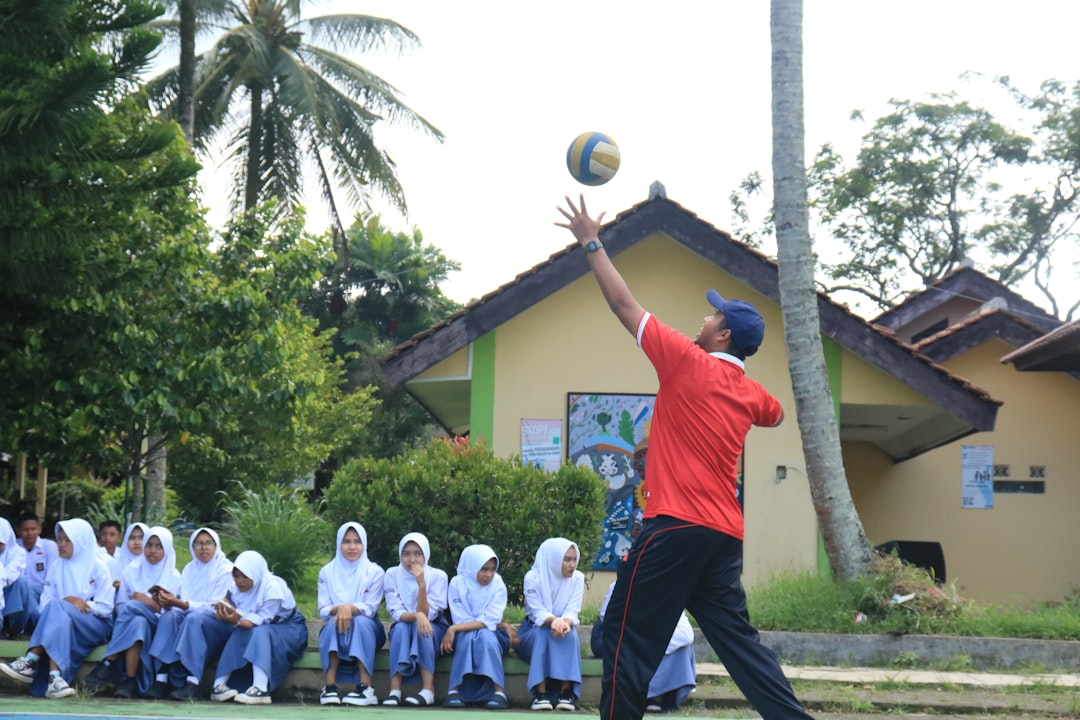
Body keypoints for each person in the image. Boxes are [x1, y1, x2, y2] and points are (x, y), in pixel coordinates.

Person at [556, 195, 813, 720]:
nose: (703, 315)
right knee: (741, 646)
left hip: (672, 528)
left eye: (712, 313)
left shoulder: (685, 360)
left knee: (627, 644)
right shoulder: (749, 393)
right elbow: (777, 413)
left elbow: (623, 305)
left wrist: (591, 242)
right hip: (722, 537)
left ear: (722, 334)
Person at [0, 518, 114, 699]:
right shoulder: (56, 566)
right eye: (59, 539)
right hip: (61, 623)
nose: (60, 544)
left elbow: (105, 608)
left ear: (81, 541)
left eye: (67, 540)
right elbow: (44, 605)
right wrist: (67, 603)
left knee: (57, 605)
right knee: (56, 607)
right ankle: (55, 680)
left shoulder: (98, 566)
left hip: (94, 625)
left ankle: (30, 660)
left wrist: (76, 605)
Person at [83, 526, 182, 698]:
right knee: (137, 622)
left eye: (159, 546)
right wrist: (142, 605)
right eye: (149, 545)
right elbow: (121, 606)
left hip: (162, 628)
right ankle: (130, 681)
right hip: (133, 625)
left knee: (133, 607)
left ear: (166, 548)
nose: (152, 550)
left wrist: (147, 602)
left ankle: (109, 660)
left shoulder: (174, 576)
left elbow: (172, 612)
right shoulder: (131, 570)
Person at [210, 550, 308, 705]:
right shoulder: (235, 587)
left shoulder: (272, 587)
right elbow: (229, 601)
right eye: (236, 575)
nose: (239, 581)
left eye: (244, 576)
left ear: (255, 573)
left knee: (257, 631)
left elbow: (255, 622)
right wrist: (222, 607)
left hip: (290, 629)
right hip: (262, 629)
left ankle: (260, 689)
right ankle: (218, 685)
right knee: (242, 631)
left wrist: (234, 619)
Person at [149, 527, 234, 700]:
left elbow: (215, 607)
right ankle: (161, 679)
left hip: (219, 625)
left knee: (194, 618)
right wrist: (169, 601)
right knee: (169, 616)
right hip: (192, 618)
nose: (204, 548)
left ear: (216, 545)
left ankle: (192, 683)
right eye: (199, 544)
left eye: (208, 543)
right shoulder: (189, 568)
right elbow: (183, 603)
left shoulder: (225, 569)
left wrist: (181, 604)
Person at [592, 579, 696, 713]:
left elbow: (686, 635)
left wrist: (652, 643)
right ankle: (650, 695)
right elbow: (608, 619)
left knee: (683, 648)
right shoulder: (625, 583)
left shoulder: (670, 590)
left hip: (650, 638)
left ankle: (659, 695)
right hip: (610, 634)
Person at [316, 522, 385, 706]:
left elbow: (370, 608)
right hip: (336, 626)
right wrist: (341, 609)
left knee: (361, 622)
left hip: (369, 629)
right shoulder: (327, 572)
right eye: (346, 541)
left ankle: (366, 687)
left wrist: (349, 608)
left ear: (364, 544)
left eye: (357, 541)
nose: (352, 547)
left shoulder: (375, 572)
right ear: (339, 543)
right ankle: (329, 687)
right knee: (332, 622)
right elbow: (323, 610)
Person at [516, 537, 584, 711]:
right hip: (531, 631)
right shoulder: (532, 577)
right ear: (553, 559)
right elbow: (537, 612)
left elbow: (572, 610)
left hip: (562, 628)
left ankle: (566, 693)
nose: (572, 565)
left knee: (571, 633)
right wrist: (554, 621)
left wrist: (564, 623)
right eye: (567, 560)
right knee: (542, 633)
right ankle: (540, 694)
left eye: (575, 559)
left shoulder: (577, 578)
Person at [382, 531, 449, 707]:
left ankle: (428, 690)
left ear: (425, 554)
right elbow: (395, 611)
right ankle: (395, 691)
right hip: (404, 623)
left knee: (423, 629)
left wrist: (421, 584)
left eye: (417, 554)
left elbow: (429, 615)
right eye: (406, 554)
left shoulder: (438, 576)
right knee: (402, 628)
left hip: (433, 626)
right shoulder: (391, 574)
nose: (412, 559)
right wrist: (417, 615)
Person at [441, 544, 511, 710]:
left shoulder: (498, 583)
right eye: (484, 569)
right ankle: (454, 690)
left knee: (485, 637)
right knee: (468, 638)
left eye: (493, 569)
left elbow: (491, 619)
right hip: (465, 633)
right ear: (472, 568)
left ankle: (499, 692)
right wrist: (458, 628)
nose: (489, 575)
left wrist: (452, 629)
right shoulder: (457, 583)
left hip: (494, 634)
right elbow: (461, 618)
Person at [15, 512, 58, 631]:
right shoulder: (14, 547)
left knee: (29, 590)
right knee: (24, 587)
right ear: (18, 531)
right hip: (20, 589)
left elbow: (51, 575)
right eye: (25, 529)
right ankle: (38, 625)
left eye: (33, 529)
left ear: (39, 529)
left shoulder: (49, 546)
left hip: (43, 588)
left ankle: (31, 626)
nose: (29, 533)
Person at [1, 517, 35, 638]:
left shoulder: (18, 552)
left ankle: (9, 626)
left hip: (8, 593)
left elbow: (8, 576)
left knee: (21, 581)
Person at [112, 522, 148, 590]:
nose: (137, 543)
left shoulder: (153, 565)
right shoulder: (113, 563)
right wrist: (113, 586)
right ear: (126, 540)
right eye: (132, 538)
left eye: (141, 538)